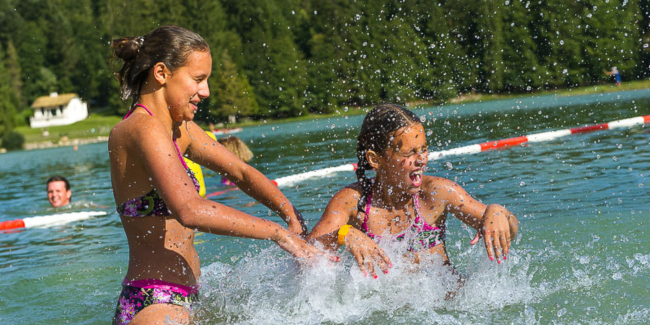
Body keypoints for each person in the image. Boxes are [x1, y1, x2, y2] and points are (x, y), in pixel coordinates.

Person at [109, 25, 333, 325]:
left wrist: (289, 214)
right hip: (154, 302)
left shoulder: (181, 130)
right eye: (198, 79)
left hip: (183, 299)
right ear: (161, 73)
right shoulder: (141, 128)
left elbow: (240, 171)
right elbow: (189, 210)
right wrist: (277, 233)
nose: (206, 91)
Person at [307, 104, 519, 280]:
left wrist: (498, 212)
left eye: (424, 149)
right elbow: (305, 254)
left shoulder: (437, 193)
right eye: (409, 153)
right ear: (376, 159)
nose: (422, 160)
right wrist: (346, 234)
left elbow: (510, 229)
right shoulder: (353, 201)